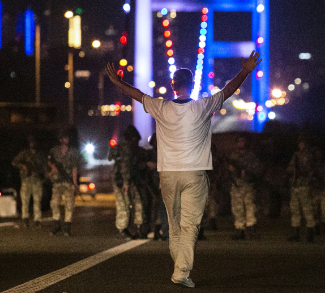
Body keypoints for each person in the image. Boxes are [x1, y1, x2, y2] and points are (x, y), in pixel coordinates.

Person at [106, 50, 261, 288]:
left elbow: (137, 95)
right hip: (194, 174)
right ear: (192, 85)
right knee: (190, 225)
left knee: (174, 223)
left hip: (168, 174)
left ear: (172, 85)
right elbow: (228, 90)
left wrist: (118, 82)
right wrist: (245, 71)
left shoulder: (161, 107)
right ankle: (181, 272)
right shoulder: (202, 107)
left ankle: (180, 267)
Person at [108, 125, 151, 240]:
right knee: (127, 204)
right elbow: (126, 166)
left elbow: (110, 158)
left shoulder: (118, 148)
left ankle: (127, 228)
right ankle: (129, 228)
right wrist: (127, 182)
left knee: (125, 204)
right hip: (127, 181)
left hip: (121, 180)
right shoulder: (129, 149)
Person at [227, 135, 262, 240]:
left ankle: (251, 228)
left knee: (250, 206)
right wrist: (232, 170)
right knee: (237, 208)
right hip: (237, 184)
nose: (241, 143)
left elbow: (257, 168)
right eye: (239, 141)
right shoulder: (233, 155)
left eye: (243, 141)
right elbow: (229, 169)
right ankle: (239, 228)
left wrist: (247, 171)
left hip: (247, 184)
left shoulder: (250, 155)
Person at [48, 128, 80, 237]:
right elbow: (49, 161)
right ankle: (56, 224)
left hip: (68, 181)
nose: (67, 139)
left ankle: (67, 226)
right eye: (65, 137)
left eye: (68, 137)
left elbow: (74, 167)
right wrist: (53, 167)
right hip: (57, 181)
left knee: (69, 205)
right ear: (60, 139)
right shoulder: (54, 151)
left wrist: (74, 183)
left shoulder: (73, 152)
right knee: (54, 203)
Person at [12, 135, 47, 229]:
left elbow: (44, 167)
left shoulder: (40, 154)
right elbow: (14, 162)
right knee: (25, 201)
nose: (32, 144)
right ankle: (25, 219)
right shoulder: (24, 154)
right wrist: (23, 166)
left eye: (34, 142)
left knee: (37, 201)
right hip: (26, 180)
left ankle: (37, 221)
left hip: (36, 180)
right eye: (31, 142)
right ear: (29, 143)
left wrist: (44, 177)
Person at [286, 137, 316, 242]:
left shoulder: (310, 156)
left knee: (307, 209)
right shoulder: (296, 155)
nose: (301, 146)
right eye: (300, 143)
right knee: (295, 210)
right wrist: (291, 170)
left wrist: (301, 170)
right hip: (295, 185)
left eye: (303, 143)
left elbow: (310, 170)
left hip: (304, 185)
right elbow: (289, 168)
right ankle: (296, 233)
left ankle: (310, 233)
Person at [147, 133, 169, 241]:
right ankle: (156, 229)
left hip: (162, 183)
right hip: (152, 184)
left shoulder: (165, 152)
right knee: (155, 208)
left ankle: (163, 230)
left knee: (163, 208)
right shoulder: (150, 153)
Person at [311, 147, 325, 235]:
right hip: (314, 189)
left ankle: (323, 226)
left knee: (324, 210)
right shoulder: (312, 165)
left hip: (322, 189)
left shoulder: (324, 165)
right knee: (314, 210)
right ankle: (317, 226)